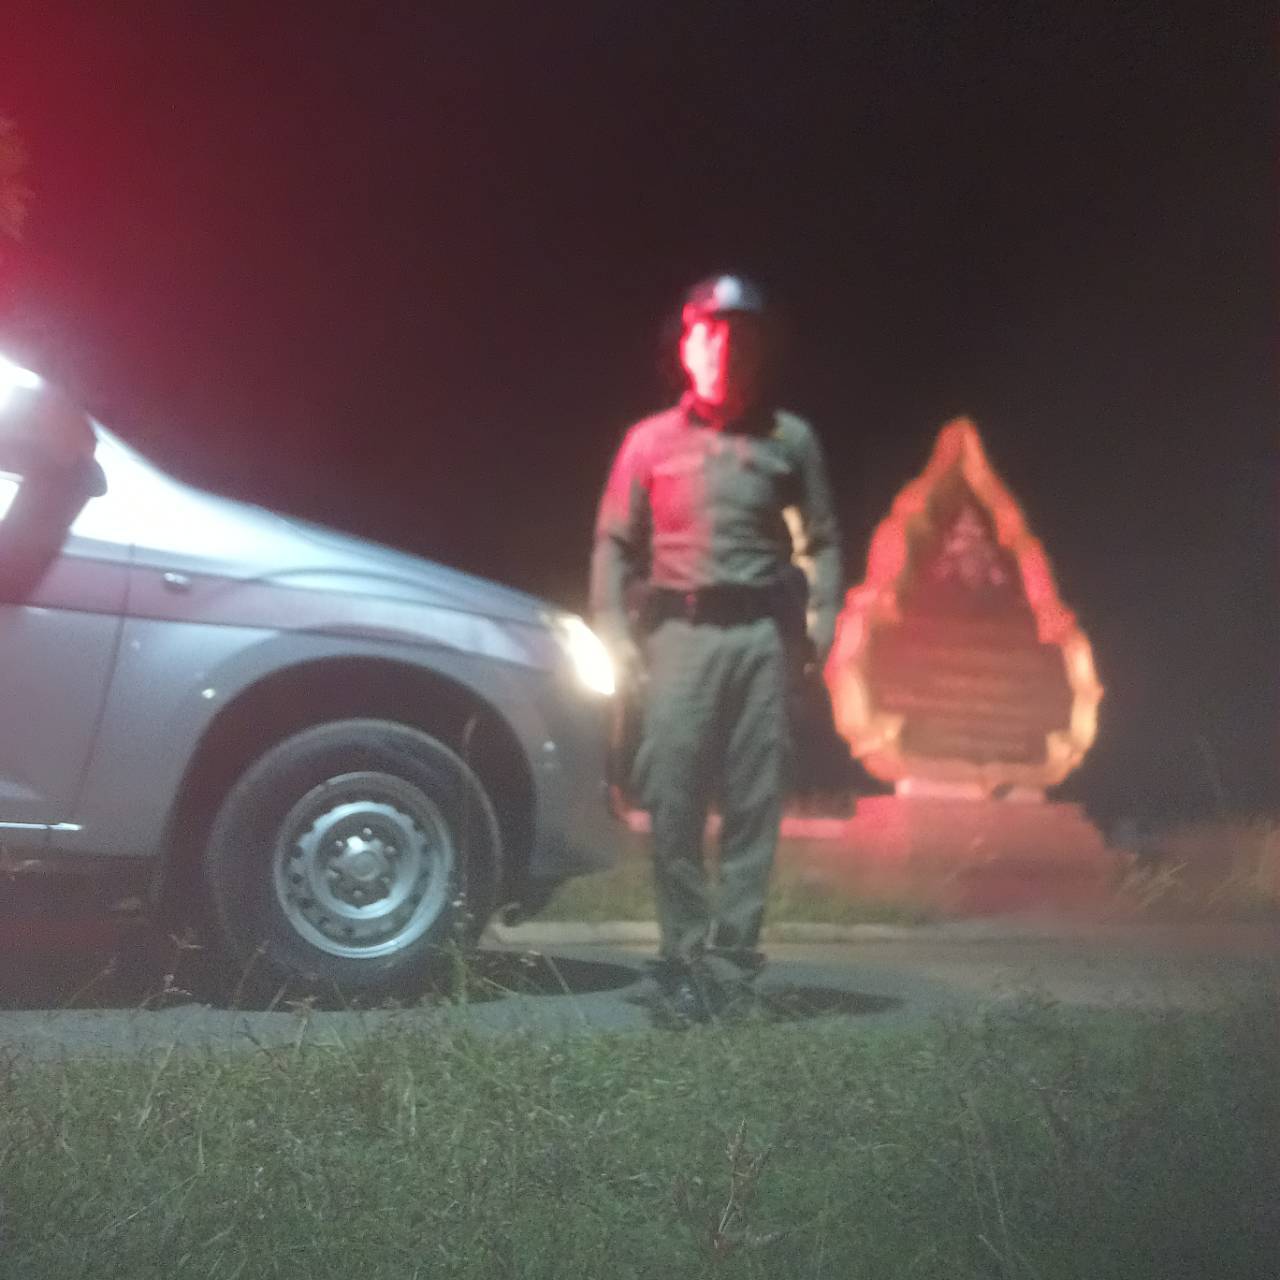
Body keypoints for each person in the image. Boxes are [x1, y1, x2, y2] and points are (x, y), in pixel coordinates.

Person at [590, 273, 842, 1021]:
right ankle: (683, 958)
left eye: (742, 337)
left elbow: (823, 541)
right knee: (672, 796)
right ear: (687, 347)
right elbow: (613, 543)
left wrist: (822, 624)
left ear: (761, 350)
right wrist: (613, 633)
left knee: (754, 801)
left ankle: (732, 968)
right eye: (711, 335)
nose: (726, 351)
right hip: (679, 637)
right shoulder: (648, 441)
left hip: (761, 639)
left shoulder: (790, 441)